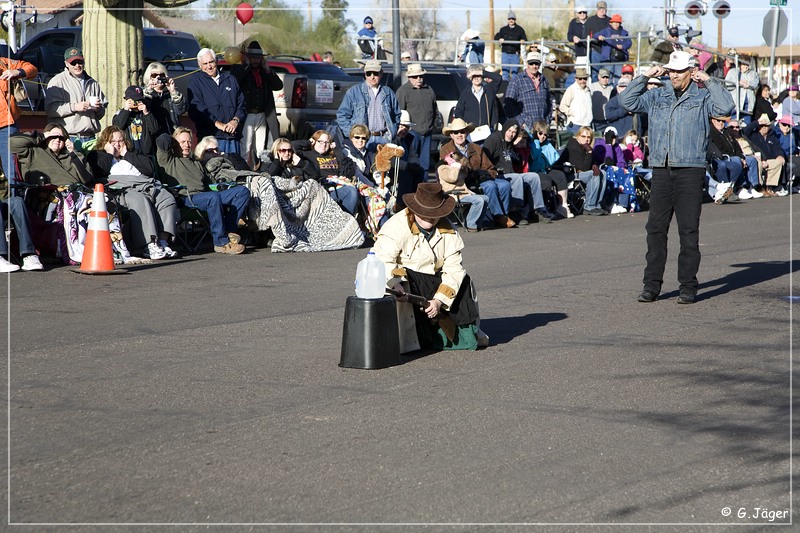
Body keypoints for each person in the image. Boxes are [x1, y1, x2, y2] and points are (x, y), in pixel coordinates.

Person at [620, 50, 735, 304]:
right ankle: (651, 285)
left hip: (690, 170)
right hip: (661, 168)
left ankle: (687, 286)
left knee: (688, 231)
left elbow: (726, 107)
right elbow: (626, 102)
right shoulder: (656, 95)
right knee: (656, 230)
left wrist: (709, 80)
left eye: (679, 71)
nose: (673, 75)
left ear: (690, 72)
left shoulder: (703, 97)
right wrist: (645, 76)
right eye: (671, 71)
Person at [372, 182, 486, 351]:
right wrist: (395, 285)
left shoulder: (449, 230)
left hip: (436, 283)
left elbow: (454, 268)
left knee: (464, 281)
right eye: (424, 214)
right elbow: (382, 260)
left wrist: (439, 301)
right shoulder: (395, 226)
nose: (429, 218)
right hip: (407, 285)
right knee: (402, 279)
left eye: (434, 214)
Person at [87, 125, 179, 259]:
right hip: (120, 189)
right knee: (139, 199)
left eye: (120, 141)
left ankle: (163, 242)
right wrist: (109, 154)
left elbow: (148, 169)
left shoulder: (132, 153)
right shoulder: (97, 155)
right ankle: (149, 244)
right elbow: (99, 171)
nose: (117, 144)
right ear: (105, 143)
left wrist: (127, 154)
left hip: (145, 184)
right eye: (113, 141)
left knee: (166, 197)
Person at [155, 128, 249, 255]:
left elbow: (209, 183)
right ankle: (221, 243)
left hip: (207, 195)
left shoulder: (196, 162)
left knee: (242, 191)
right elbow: (162, 139)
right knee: (212, 197)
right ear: (175, 143)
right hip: (186, 198)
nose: (186, 145)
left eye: (189, 142)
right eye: (182, 142)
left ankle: (229, 231)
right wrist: (173, 141)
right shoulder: (169, 159)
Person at [439, 118, 515, 228]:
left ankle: (504, 214)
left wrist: (485, 174)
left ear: (467, 133)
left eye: (462, 131)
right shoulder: (446, 149)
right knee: (490, 186)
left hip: (479, 178)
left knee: (505, 184)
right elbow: (446, 171)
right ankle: (498, 216)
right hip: (461, 181)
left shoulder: (476, 148)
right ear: (451, 135)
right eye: (456, 132)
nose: (459, 135)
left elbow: (490, 168)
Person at [482, 119, 554, 224]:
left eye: (514, 132)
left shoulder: (510, 142)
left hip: (511, 173)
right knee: (517, 178)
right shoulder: (494, 139)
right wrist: (492, 171)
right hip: (498, 175)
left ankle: (537, 210)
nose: (511, 134)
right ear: (505, 129)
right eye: (509, 131)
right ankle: (516, 211)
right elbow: (484, 158)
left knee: (533, 177)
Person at [232, 41, 284, 168]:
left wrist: (268, 70)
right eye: (253, 58)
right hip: (247, 114)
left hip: (262, 113)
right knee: (245, 145)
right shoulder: (240, 69)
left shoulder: (264, 72)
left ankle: (260, 169)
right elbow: (235, 81)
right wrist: (247, 66)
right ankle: (244, 170)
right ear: (248, 57)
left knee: (261, 147)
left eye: (258, 58)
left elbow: (278, 85)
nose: (256, 61)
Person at [187, 48, 246, 155]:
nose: (209, 66)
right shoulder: (195, 81)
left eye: (211, 62)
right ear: (199, 65)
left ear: (217, 61)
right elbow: (196, 110)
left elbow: (241, 104)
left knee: (236, 169)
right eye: (205, 64)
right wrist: (218, 124)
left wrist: (235, 120)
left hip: (233, 137)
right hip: (210, 138)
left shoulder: (230, 79)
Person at [45, 47, 107, 144]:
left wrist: (98, 109)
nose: (77, 65)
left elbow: (101, 113)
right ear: (66, 64)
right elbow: (51, 109)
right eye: (73, 63)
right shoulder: (57, 81)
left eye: (80, 62)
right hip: (68, 137)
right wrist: (74, 107)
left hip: (90, 137)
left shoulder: (92, 83)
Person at [336, 60, 401, 149]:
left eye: (375, 73)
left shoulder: (388, 93)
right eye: (369, 73)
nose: (372, 77)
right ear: (365, 74)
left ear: (381, 73)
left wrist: (391, 133)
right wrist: (352, 134)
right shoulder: (354, 92)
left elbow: (397, 115)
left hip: (384, 139)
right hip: (362, 139)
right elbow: (342, 115)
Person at [295, 129, 360, 216]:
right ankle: (347, 221)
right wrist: (307, 142)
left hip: (338, 186)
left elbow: (344, 164)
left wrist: (336, 149)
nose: (323, 145)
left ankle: (348, 220)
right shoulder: (308, 154)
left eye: (326, 142)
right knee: (351, 191)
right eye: (320, 142)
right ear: (314, 141)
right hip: (323, 188)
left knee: (361, 192)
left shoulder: (332, 155)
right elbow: (291, 146)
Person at [11, 123, 94, 187]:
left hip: (74, 193)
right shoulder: (34, 152)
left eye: (61, 138)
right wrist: (41, 136)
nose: (57, 139)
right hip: (46, 196)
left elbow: (87, 178)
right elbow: (12, 142)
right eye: (53, 136)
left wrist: (73, 153)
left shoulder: (71, 157)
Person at [553, 126, 607, 216]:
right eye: (583, 136)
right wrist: (589, 153)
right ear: (578, 136)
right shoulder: (573, 146)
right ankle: (589, 206)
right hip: (570, 175)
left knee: (603, 173)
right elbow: (584, 168)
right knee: (593, 174)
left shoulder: (585, 147)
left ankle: (597, 205)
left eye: (589, 137)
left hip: (580, 174)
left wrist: (594, 165)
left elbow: (590, 163)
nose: (586, 139)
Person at [706, 114, 761, 200]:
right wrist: (739, 158)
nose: (721, 123)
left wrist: (742, 157)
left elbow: (737, 146)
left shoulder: (726, 132)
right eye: (718, 120)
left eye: (723, 121)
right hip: (723, 157)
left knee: (751, 160)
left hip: (734, 156)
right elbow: (719, 150)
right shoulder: (712, 133)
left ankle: (751, 187)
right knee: (736, 161)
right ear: (712, 120)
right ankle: (738, 187)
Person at [395, 63, 437, 175]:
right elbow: (398, 114)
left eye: (421, 76)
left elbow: (434, 110)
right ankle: (411, 190)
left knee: (425, 166)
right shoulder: (403, 91)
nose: (418, 79)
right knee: (411, 164)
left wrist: (431, 127)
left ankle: (423, 189)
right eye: (415, 76)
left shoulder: (429, 90)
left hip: (427, 133)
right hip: (411, 134)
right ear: (409, 77)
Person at [0, 55, 37, 183]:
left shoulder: (4, 62)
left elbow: (32, 69)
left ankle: (15, 201)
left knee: (12, 171)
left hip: (7, 125)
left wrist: (16, 72)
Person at [527, 121, 572, 218]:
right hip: (532, 172)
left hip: (543, 170)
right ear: (535, 132)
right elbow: (534, 157)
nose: (543, 136)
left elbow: (553, 159)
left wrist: (545, 145)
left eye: (545, 135)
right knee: (546, 180)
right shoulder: (530, 142)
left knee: (559, 175)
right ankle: (541, 208)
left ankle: (562, 206)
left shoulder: (546, 144)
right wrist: (536, 142)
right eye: (540, 133)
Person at [504, 51, 553, 131]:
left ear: (540, 64)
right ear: (527, 64)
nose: (534, 66)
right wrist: (521, 123)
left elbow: (549, 103)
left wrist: (547, 122)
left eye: (536, 63)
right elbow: (508, 105)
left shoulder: (544, 80)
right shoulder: (517, 80)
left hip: (541, 129)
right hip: (524, 129)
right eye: (531, 63)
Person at [453, 65, 504, 139]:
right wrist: (466, 125)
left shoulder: (489, 90)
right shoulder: (465, 93)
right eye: (474, 76)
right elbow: (458, 112)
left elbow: (498, 78)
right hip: (471, 133)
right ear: (470, 77)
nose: (476, 78)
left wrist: (483, 72)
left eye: (479, 75)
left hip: (488, 131)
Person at [437, 158, 488, 232]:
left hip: (464, 193)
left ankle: (477, 224)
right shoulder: (443, 168)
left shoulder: (456, 167)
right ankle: (470, 224)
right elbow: (452, 178)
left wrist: (463, 167)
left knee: (485, 198)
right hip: (453, 194)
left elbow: (464, 176)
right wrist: (455, 166)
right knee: (479, 200)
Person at [142, 62, 187, 146]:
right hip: (152, 137)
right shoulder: (144, 93)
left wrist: (173, 92)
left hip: (171, 135)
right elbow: (143, 107)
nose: (158, 77)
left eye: (162, 75)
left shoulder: (170, 94)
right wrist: (149, 91)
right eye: (154, 75)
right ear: (149, 77)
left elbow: (181, 110)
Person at [743, 114, 786, 196]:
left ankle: (770, 186)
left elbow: (778, 148)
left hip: (770, 159)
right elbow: (745, 131)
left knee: (778, 162)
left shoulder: (772, 136)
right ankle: (759, 187)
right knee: (757, 163)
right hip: (759, 158)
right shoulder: (753, 135)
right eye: (762, 126)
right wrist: (757, 122)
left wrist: (780, 155)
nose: (764, 128)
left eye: (766, 126)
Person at [112, 85, 160, 156]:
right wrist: (126, 110)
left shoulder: (146, 114)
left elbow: (155, 129)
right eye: (135, 100)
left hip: (145, 154)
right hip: (129, 154)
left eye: (139, 100)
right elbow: (117, 127)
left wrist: (146, 113)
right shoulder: (121, 114)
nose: (136, 103)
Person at [595, 14, 631, 83]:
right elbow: (595, 35)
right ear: (611, 23)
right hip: (608, 58)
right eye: (614, 22)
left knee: (618, 77)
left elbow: (629, 43)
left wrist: (622, 46)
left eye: (618, 22)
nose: (616, 24)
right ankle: (609, 92)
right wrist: (599, 36)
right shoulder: (606, 31)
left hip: (620, 58)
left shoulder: (624, 32)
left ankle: (617, 92)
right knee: (608, 77)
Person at [494, 10, 527, 81]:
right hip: (505, 54)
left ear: (515, 20)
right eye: (509, 19)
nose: (511, 20)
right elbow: (496, 36)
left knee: (515, 73)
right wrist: (500, 38)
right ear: (507, 20)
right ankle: (505, 89)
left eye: (513, 19)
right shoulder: (503, 29)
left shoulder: (520, 30)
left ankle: (514, 89)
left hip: (515, 54)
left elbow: (525, 39)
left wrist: (523, 40)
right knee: (505, 72)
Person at [724, 56, 758, 124]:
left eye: (747, 65)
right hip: (736, 103)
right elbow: (727, 84)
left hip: (748, 105)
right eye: (744, 65)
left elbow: (755, 83)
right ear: (740, 64)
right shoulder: (733, 72)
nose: (746, 67)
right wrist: (738, 83)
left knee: (746, 124)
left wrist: (749, 84)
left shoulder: (753, 73)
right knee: (733, 123)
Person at [585, 1, 610, 80]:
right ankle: (595, 91)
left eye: (603, 8)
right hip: (595, 50)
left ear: (606, 10)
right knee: (594, 74)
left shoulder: (610, 21)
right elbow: (586, 35)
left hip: (607, 50)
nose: (602, 10)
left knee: (607, 74)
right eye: (600, 8)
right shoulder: (590, 20)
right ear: (597, 9)